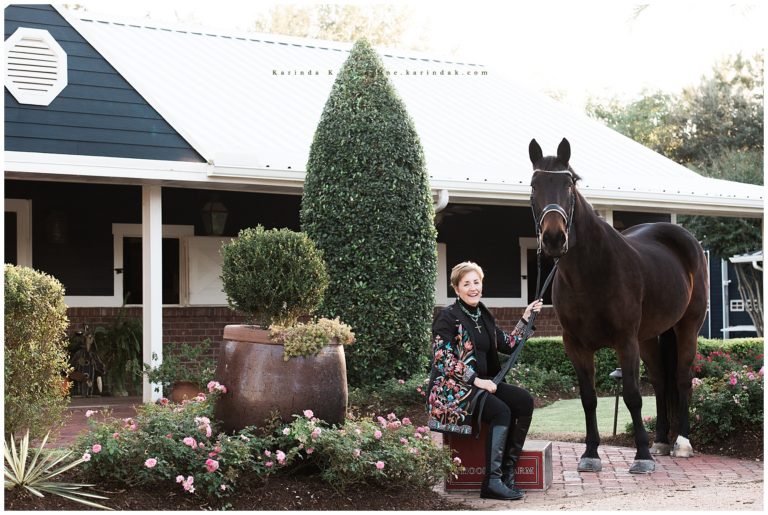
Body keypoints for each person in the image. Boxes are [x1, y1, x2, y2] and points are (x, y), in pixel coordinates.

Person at [427, 261, 543, 501]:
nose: (473, 288)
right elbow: (442, 359)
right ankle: (491, 482)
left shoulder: (484, 314)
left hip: (483, 383)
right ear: (456, 289)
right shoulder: (447, 317)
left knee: (523, 401)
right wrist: (476, 380)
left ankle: (507, 474)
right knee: (501, 411)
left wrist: (526, 318)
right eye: (466, 283)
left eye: (476, 282)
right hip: (452, 390)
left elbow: (508, 345)